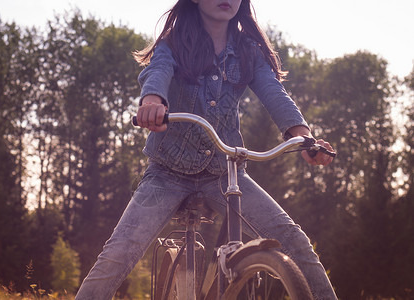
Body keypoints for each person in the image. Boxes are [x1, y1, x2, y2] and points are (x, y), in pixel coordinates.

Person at [75, 0, 338, 299]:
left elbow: (274, 92)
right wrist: (152, 101)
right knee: (117, 254)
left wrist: (304, 138)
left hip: (224, 173)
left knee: (294, 241)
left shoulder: (248, 51)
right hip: (167, 174)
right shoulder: (173, 42)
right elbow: (157, 71)